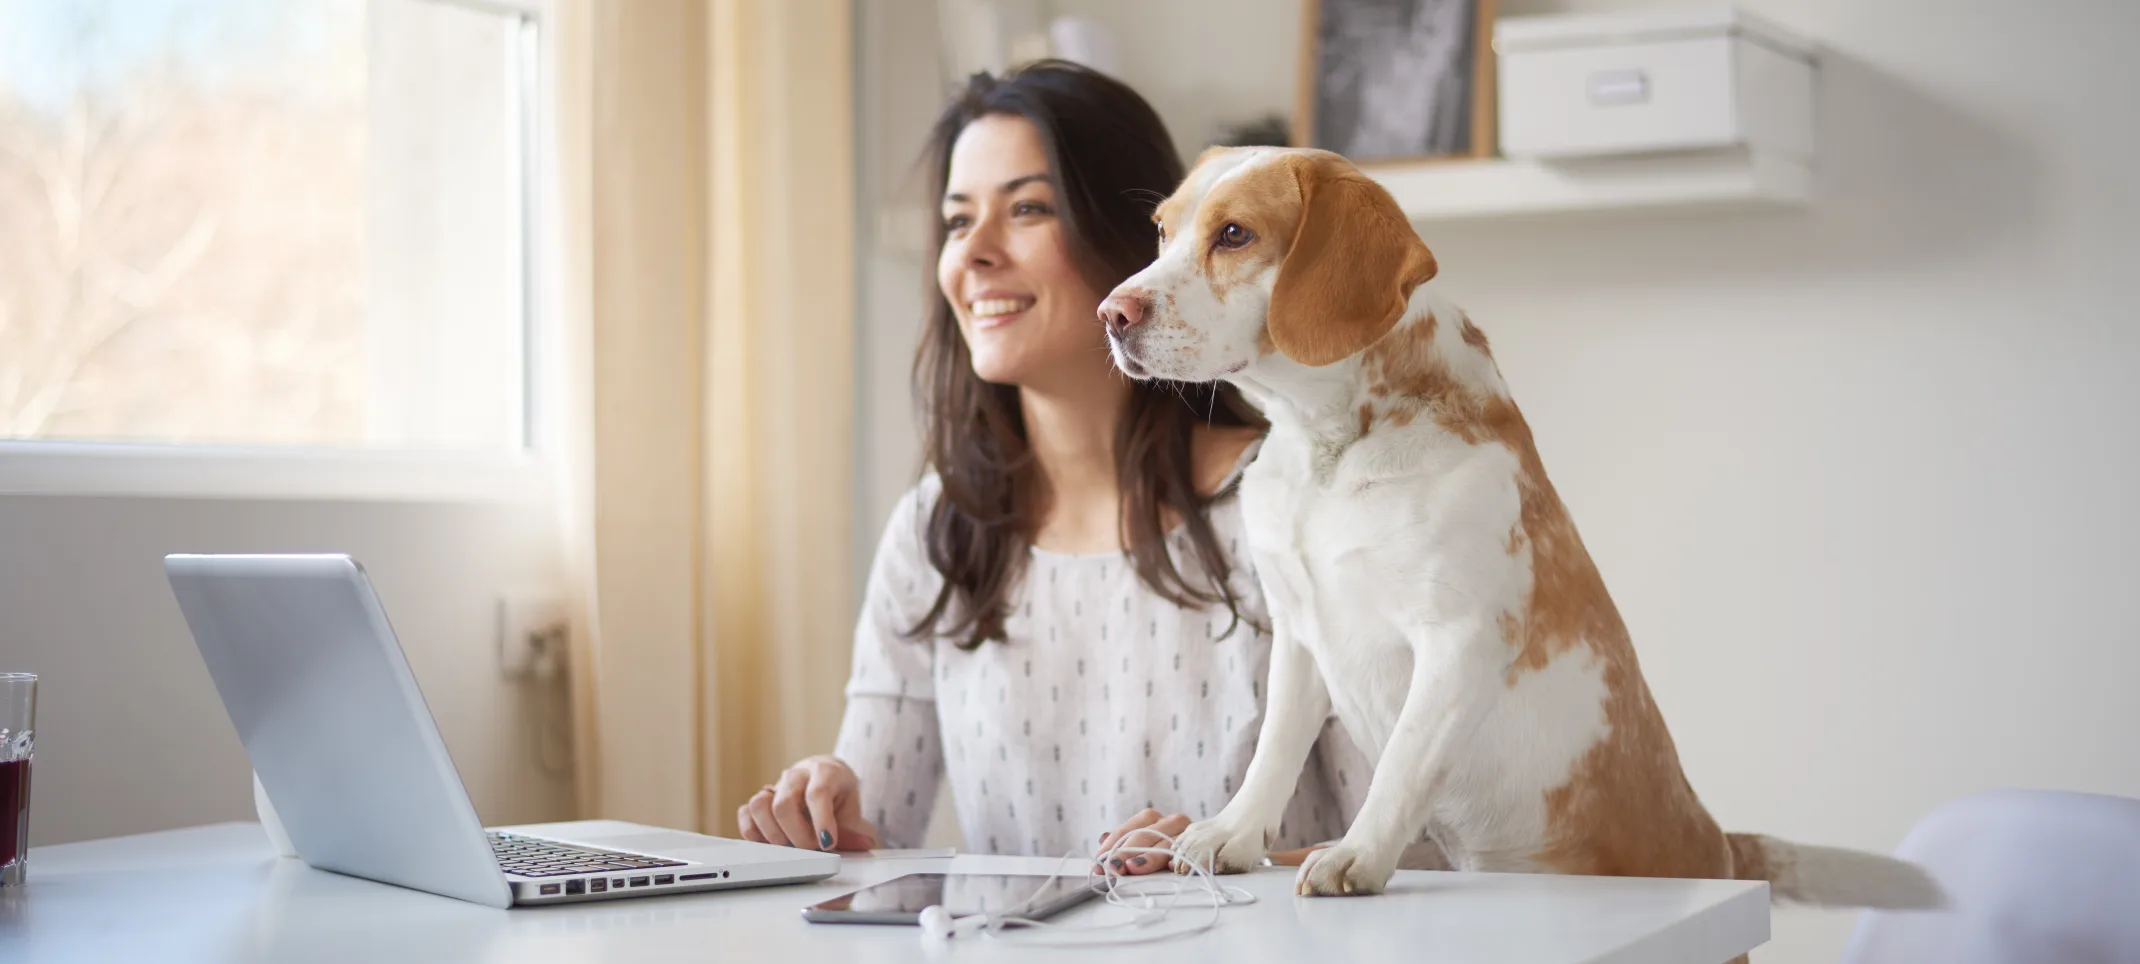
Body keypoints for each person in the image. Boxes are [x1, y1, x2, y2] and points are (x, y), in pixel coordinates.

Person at [735, 60, 1377, 874]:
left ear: (1139, 241)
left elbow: (1408, 857)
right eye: (958, 220)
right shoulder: (936, 530)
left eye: (1029, 208)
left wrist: (1213, 855)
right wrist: (826, 809)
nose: (975, 254)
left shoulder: (1298, 512)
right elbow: (875, 840)